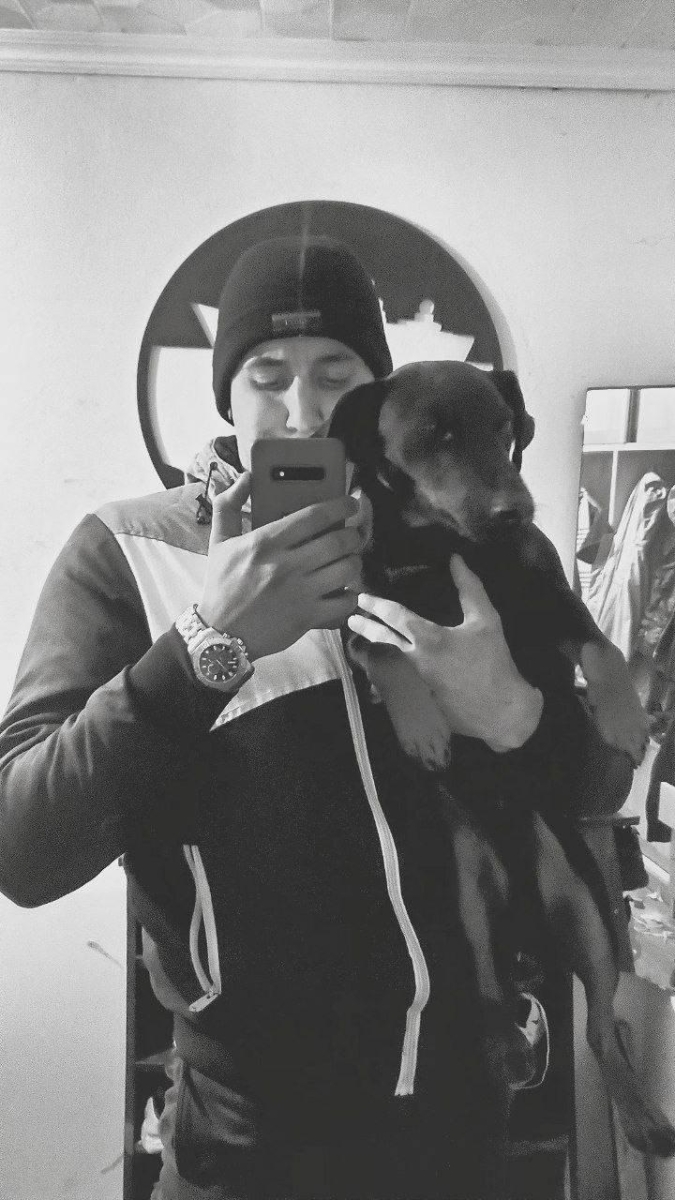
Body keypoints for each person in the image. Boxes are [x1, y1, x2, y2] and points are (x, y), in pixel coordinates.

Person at [0, 236, 616, 1200]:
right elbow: (24, 848)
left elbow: (596, 788)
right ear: (225, 397)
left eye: (336, 374)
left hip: (468, 1127)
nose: (302, 411)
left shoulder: (466, 537)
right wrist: (210, 642)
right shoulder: (127, 553)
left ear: (377, 398)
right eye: (266, 377)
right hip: (246, 1148)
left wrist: (515, 712)